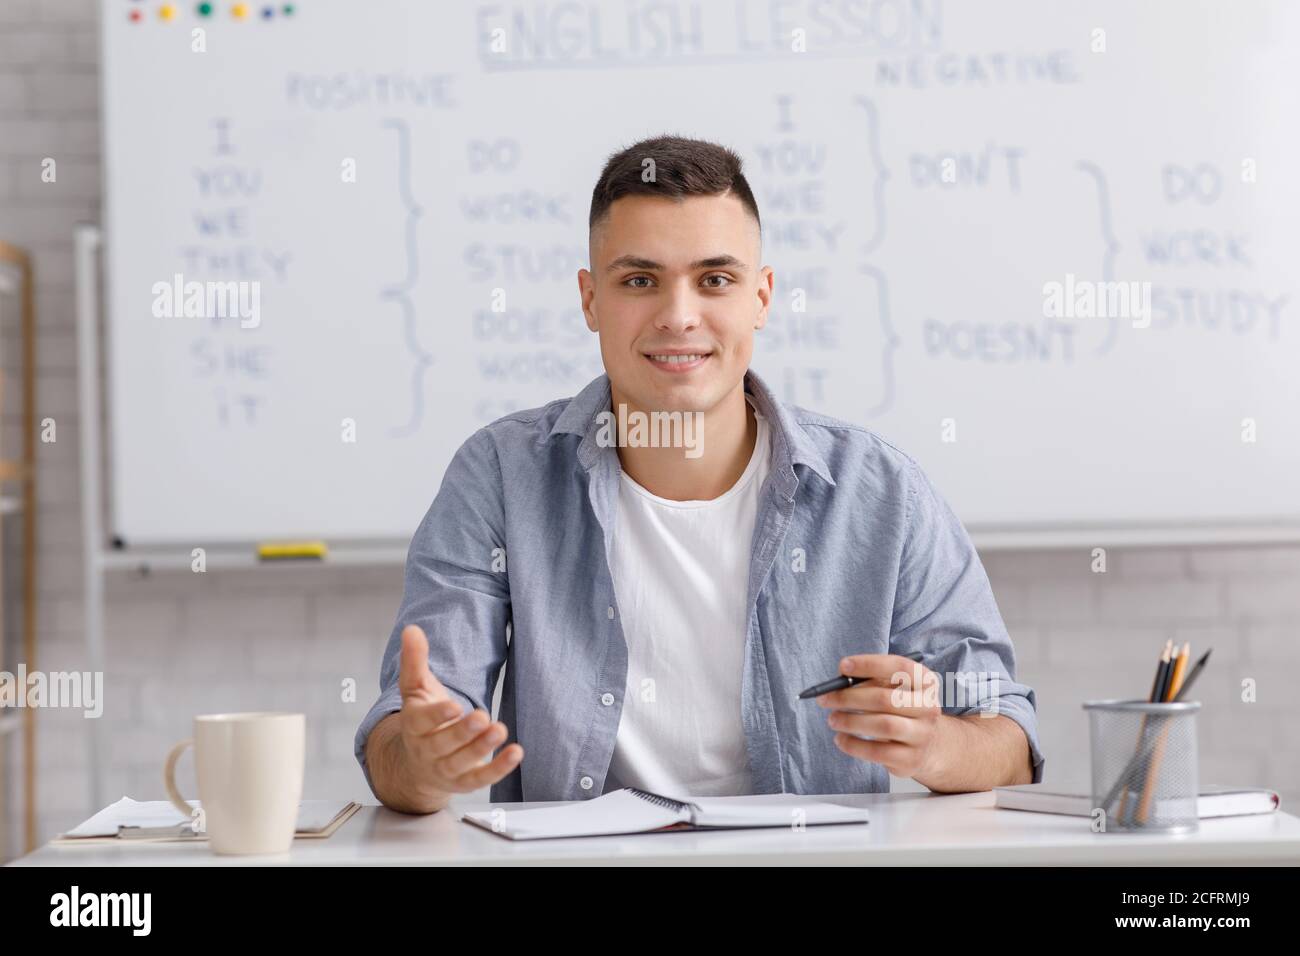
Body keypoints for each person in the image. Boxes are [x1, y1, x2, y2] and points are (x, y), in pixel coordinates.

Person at [356, 135, 1044, 814]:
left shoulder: (881, 491)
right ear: (590, 299)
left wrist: (932, 746)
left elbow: (1008, 737)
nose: (679, 317)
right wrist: (422, 762)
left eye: (715, 280)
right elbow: (400, 743)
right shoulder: (502, 475)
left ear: (762, 297)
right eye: (639, 281)